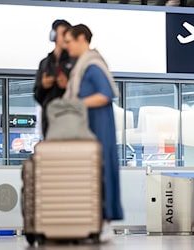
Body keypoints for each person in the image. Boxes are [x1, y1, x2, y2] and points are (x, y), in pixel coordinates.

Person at [63, 24, 123, 242]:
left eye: (69, 41)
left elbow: (106, 94)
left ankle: (104, 224)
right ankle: (93, 224)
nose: (67, 47)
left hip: (100, 130)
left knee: (102, 176)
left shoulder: (93, 66)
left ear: (81, 39)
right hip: (88, 131)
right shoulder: (82, 67)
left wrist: (75, 104)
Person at [34, 19, 75, 139]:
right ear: (54, 36)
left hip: (70, 121)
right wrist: (43, 86)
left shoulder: (75, 62)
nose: (66, 37)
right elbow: (37, 96)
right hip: (49, 122)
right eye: (63, 33)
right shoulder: (45, 63)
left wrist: (67, 86)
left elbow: (84, 94)